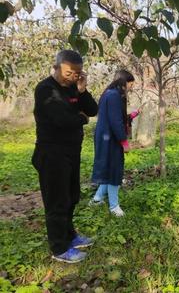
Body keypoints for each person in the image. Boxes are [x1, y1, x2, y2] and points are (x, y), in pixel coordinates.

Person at [31, 50, 98, 263]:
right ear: (57, 67)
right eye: (70, 72)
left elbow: (92, 110)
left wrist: (82, 91)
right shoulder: (45, 90)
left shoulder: (73, 88)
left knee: (71, 197)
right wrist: (80, 118)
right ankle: (59, 248)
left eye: (78, 73)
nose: (73, 77)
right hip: (52, 153)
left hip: (71, 152)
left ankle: (70, 236)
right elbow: (62, 120)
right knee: (57, 201)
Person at [89, 70, 139, 217]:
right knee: (114, 171)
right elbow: (116, 121)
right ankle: (114, 207)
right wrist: (124, 141)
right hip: (110, 138)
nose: (132, 87)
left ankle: (97, 199)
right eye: (131, 84)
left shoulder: (110, 94)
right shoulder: (114, 96)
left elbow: (117, 117)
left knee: (109, 169)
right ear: (124, 82)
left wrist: (133, 115)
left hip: (106, 136)